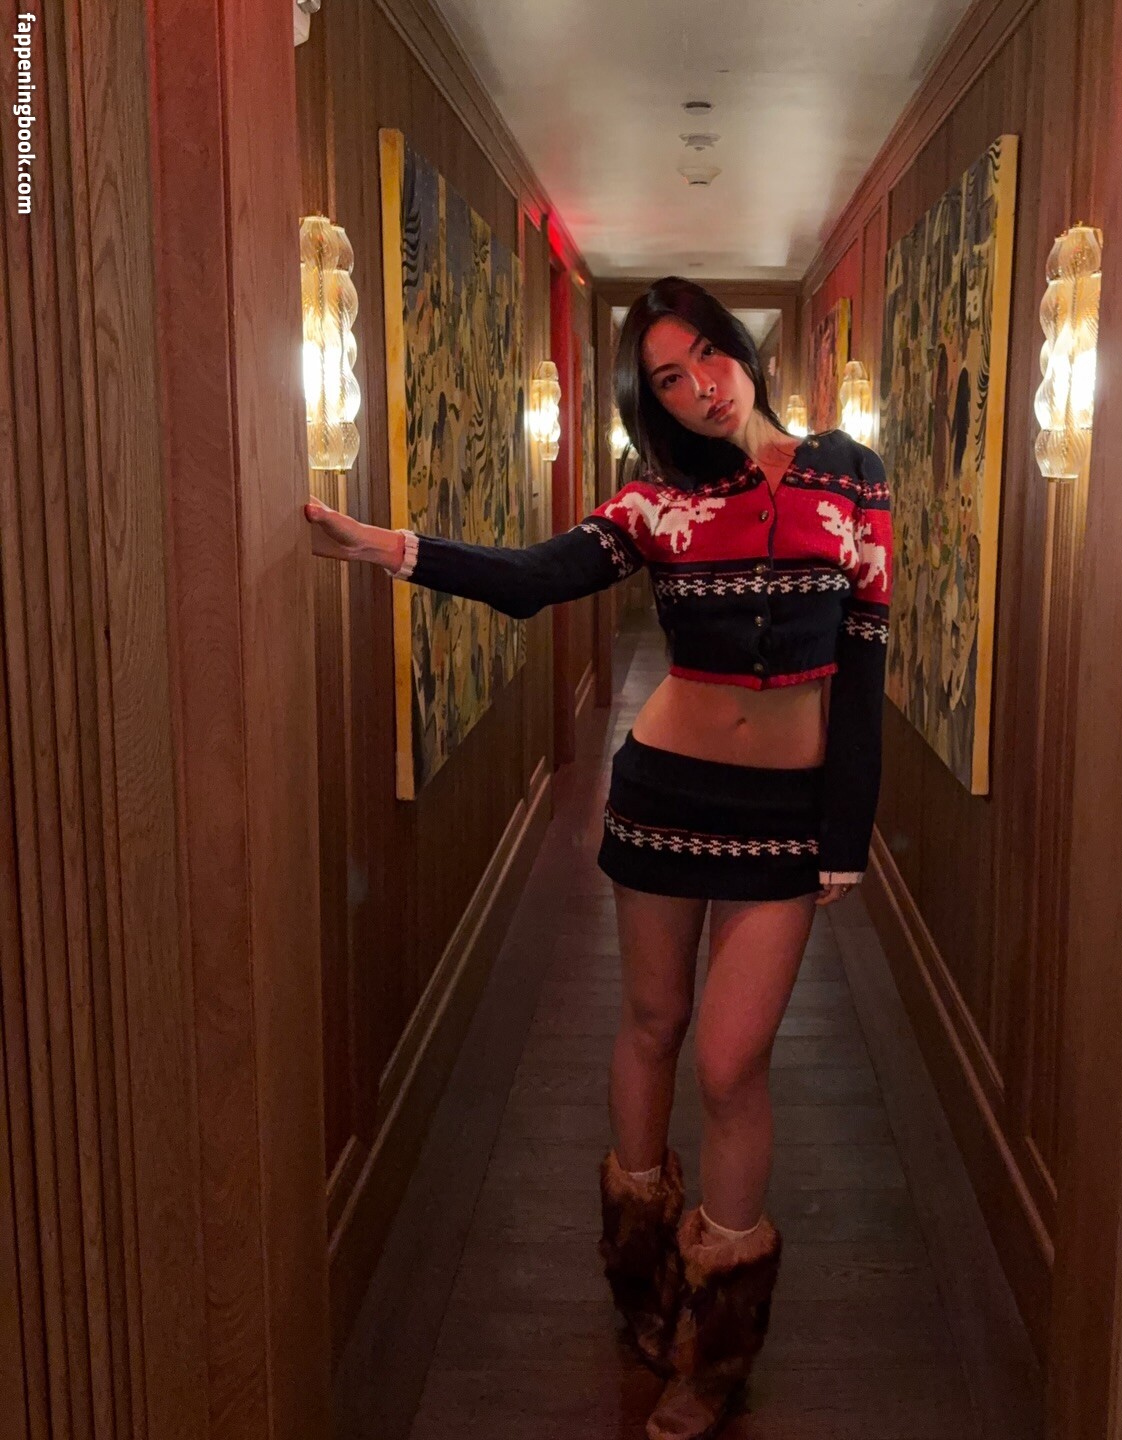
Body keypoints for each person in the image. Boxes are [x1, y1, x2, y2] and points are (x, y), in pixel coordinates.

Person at [304, 275, 891, 1440]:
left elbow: (867, 651)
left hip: (785, 817)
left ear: (740, 349)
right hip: (664, 797)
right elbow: (535, 581)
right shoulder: (653, 503)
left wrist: (846, 829)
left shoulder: (851, 474)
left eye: (706, 355)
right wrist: (383, 547)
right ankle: (641, 1284)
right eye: (667, 379)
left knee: (730, 1064)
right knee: (652, 1024)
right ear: (650, 402)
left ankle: (718, 1344)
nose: (699, 387)